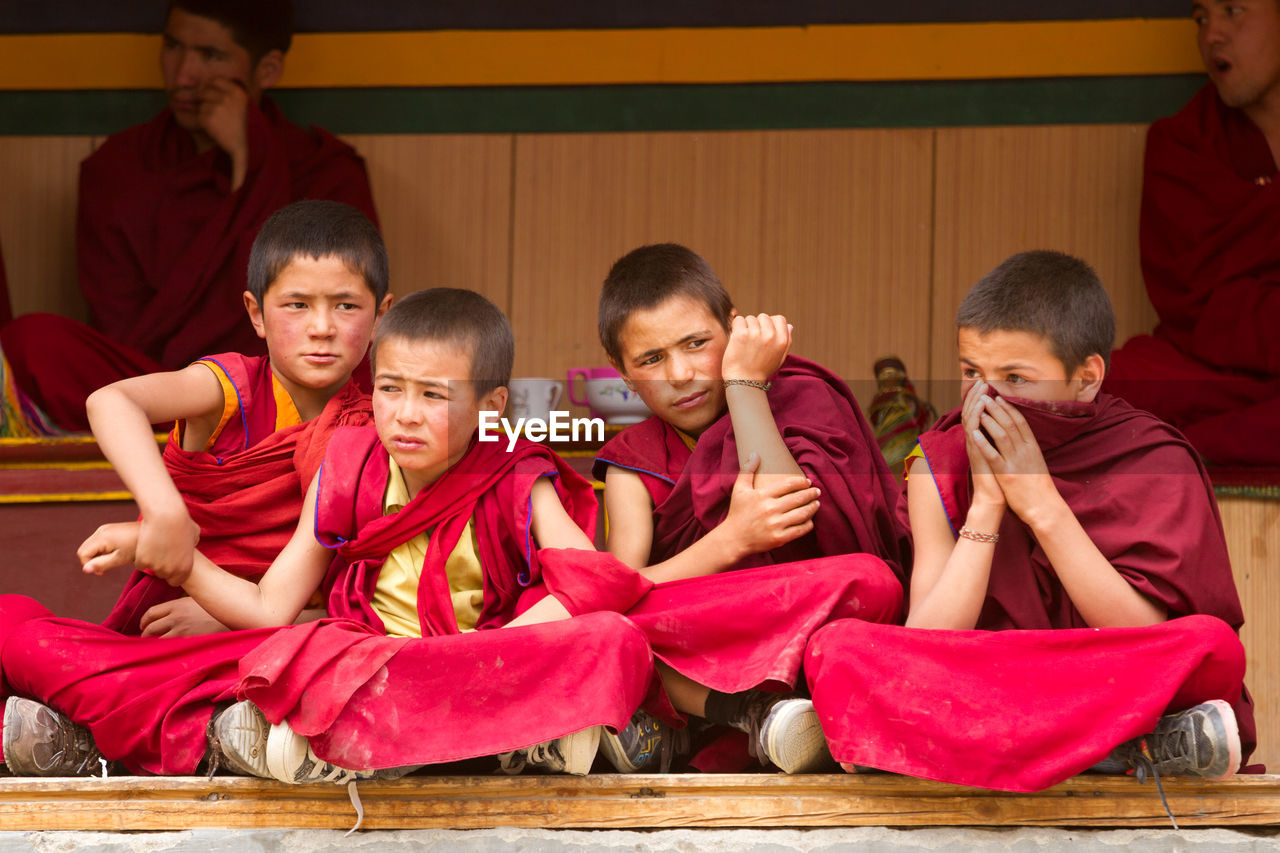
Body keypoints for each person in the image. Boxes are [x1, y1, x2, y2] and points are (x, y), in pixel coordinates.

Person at [0, 289, 655, 783]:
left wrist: (491, 654)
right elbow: (268, 609)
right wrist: (173, 559)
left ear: (491, 409)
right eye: (392, 388)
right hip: (367, 669)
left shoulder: (519, 473)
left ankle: (349, 745)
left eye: (433, 395)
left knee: (614, 638)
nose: (403, 413)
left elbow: (589, 582)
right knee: (305, 651)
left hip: (477, 663)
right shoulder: (350, 462)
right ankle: (509, 737)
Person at [806, 251, 1255, 796]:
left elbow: (1138, 629)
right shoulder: (940, 460)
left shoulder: (1149, 456)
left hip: (1098, 674)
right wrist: (987, 505)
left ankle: (958, 749)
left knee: (1210, 647)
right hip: (993, 673)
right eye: (972, 372)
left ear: (1086, 378)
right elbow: (929, 638)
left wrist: (1041, 503)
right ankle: (1125, 748)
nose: (985, 399)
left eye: (1015, 377)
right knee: (839, 650)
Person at [592, 244, 908, 773]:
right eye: (651, 359)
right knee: (610, 627)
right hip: (707, 629)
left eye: (697, 344)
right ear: (622, 373)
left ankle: (684, 720)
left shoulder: (802, 398)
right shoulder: (632, 463)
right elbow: (626, 593)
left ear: (735, 330)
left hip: (803, 620)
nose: (681, 373)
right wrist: (731, 541)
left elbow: (791, 512)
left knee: (874, 582)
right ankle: (750, 715)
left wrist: (745, 386)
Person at [0, 0, 379, 433]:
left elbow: (328, 320)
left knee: (366, 373)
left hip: (277, 389)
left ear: (267, 69)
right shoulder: (118, 168)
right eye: (173, 47)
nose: (182, 76)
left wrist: (250, 169)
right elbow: (127, 331)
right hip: (154, 383)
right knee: (32, 343)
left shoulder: (325, 171)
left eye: (211, 56)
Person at [91, 199, 390, 637]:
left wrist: (225, 620)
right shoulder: (232, 389)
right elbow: (111, 402)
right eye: (297, 305)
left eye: (346, 305)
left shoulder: (371, 431)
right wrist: (164, 512)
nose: (322, 327)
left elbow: (364, 598)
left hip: (293, 633)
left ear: (381, 316)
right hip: (173, 625)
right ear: (256, 314)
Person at [1106, 0, 1280, 466]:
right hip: (1210, 371)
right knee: (1088, 392)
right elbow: (1193, 305)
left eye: (1233, 10)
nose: (1212, 35)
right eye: (1201, 18)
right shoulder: (1181, 143)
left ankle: (1175, 449)